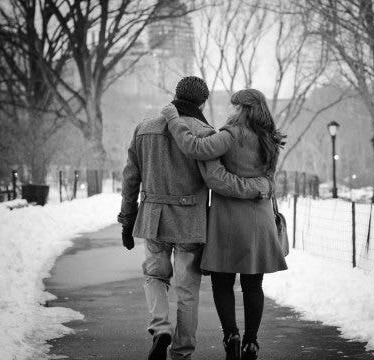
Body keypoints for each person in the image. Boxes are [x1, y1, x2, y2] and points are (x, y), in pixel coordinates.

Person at [118, 77, 275, 360]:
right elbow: (215, 177)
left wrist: (127, 219)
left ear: (176, 94)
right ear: (202, 103)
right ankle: (182, 351)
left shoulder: (143, 128)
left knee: (154, 276)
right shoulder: (206, 132)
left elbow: (130, 178)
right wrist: (261, 186)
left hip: (153, 217)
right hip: (190, 221)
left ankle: (160, 327)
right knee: (187, 289)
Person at [161, 88, 288, 360]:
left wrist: (173, 119)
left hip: (228, 222)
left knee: (223, 283)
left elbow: (195, 147)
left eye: (234, 106)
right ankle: (251, 342)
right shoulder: (270, 138)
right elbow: (269, 180)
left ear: (242, 109)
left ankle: (231, 335)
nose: (231, 111)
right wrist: (260, 186)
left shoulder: (231, 135)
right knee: (254, 285)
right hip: (260, 222)